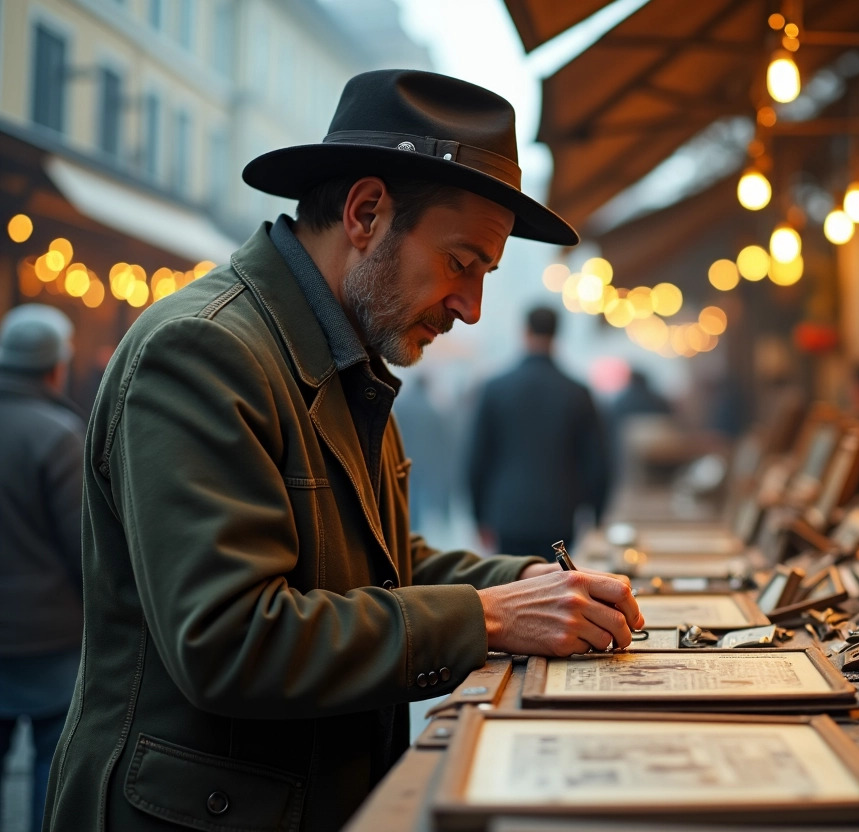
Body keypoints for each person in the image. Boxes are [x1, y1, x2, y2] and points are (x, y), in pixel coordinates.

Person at [44, 70, 642, 832]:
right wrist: (487, 617)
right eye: (462, 262)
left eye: (486, 275)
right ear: (365, 213)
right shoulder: (204, 350)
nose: (471, 306)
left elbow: (380, 563)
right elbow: (230, 640)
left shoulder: (345, 353)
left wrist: (529, 582)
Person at [0, 304, 84, 832]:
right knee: (51, 766)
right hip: (50, 637)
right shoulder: (59, 435)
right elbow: (84, 547)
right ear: (56, 366)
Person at [467, 306, 609, 559]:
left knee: (514, 588)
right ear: (557, 334)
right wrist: (595, 515)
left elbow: (477, 458)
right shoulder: (577, 392)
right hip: (560, 513)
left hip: (508, 513)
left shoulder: (495, 388)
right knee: (556, 586)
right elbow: (597, 462)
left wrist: (478, 516)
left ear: (525, 331)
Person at [390, 373, 454, 533]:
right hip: (426, 460)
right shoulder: (431, 408)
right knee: (421, 494)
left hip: (405, 456)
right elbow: (440, 437)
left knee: (410, 493)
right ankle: (415, 530)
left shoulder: (401, 405)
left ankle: (410, 528)